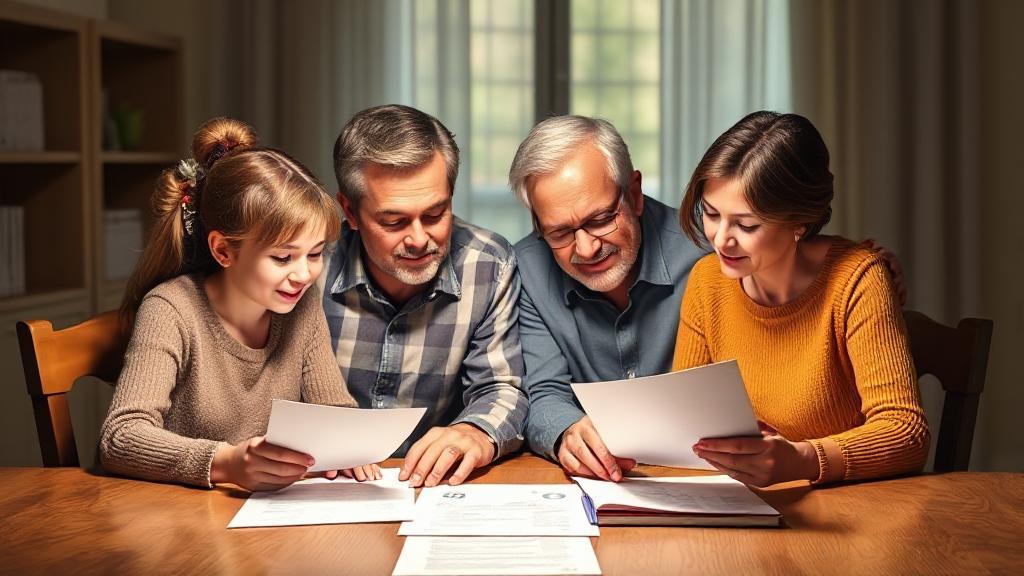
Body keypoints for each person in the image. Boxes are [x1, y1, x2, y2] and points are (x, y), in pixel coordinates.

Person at [510, 115, 908, 483]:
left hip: (836, 496)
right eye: (560, 232)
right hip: (697, 488)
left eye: (600, 219)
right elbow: (688, 423)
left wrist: (866, 272)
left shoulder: (708, 253)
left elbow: (900, 426)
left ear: (634, 194)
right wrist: (566, 431)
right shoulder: (710, 273)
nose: (586, 247)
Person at [101, 117, 378, 491]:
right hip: (175, 519)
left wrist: (348, 447)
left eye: (315, 254)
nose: (304, 274)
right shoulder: (170, 309)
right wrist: (225, 462)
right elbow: (121, 437)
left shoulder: (300, 301)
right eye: (283, 258)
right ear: (223, 250)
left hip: (261, 519)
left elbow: (332, 409)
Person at [674, 111, 930, 486]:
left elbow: (906, 432)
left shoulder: (858, 280)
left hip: (851, 513)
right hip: (746, 508)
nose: (721, 239)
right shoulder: (706, 281)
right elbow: (683, 417)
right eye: (711, 213)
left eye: (747, 225)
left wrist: (805, 459)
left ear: (800, 222)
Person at [325, 104, 528, 488]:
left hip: (433, 489)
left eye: (436, 214)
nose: (420, 239)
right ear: (350, 212)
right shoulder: (307, 265)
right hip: (323, 484)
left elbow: (501, 386)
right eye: (394, 221)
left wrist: (476, 431)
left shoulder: (489, 265)